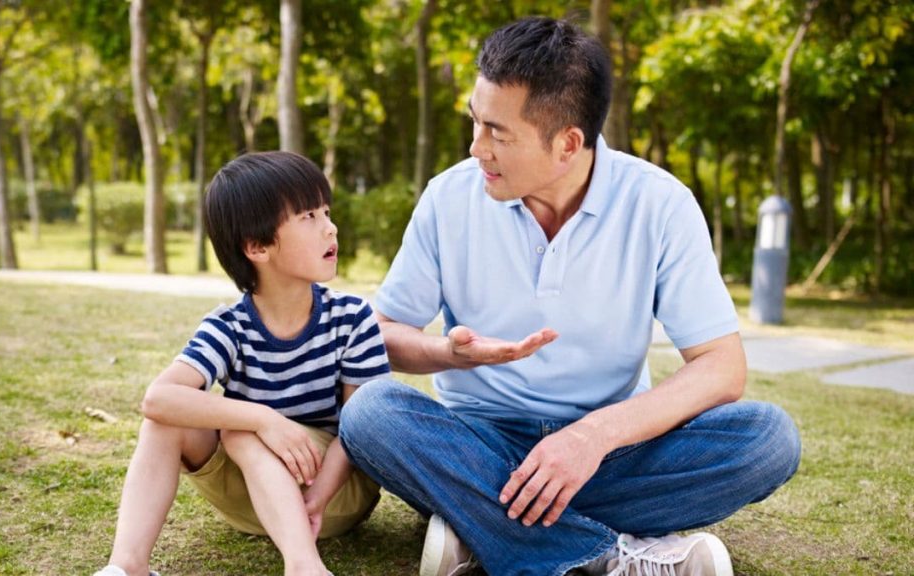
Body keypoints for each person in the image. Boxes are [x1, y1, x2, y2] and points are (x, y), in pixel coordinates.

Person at [337, 16, 801, 576]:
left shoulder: (660, 205)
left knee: (769, 440)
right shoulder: (449, 198)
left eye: (497, 132)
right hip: (479, 443)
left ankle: (479, 524)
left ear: (568, 143)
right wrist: (448, 354)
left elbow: (722, 369)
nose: (475, 146)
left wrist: (590, 438)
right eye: (475, 121)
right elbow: (380, 337)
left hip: (611, 449)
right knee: (370, 414)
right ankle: (605, 554)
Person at [94, 151, 390, 576]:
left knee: (240, 432)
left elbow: (361, 428)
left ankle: (305, 567)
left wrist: (316, 497)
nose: (330, 226)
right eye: (308, 216)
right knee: (182, 420)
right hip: (252, 502)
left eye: (326, 211)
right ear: (256, 246)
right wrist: (263, 418)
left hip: (334, 496)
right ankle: (127, 567)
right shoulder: (230, 325)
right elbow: (158, 398)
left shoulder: (352, 318)